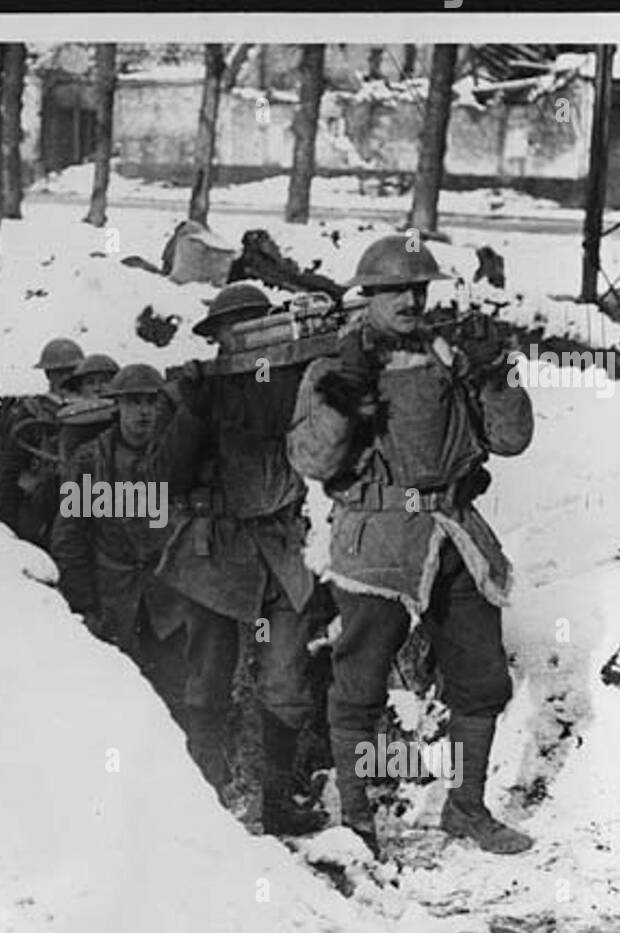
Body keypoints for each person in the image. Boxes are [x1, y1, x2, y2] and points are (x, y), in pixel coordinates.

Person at [287, 234, 535, 858]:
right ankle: (357, 819)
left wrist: (498, 374)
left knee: (479, 677)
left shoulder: (452, 356)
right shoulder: (333, 367)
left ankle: (467, 808)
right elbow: (310, 461)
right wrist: (345, 400)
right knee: (359, 683)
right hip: (378, 541)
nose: (410, 300)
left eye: (419, 288)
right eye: (395, 289)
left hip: (454, 532)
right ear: (368, 295)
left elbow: (510, 443)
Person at [150, 284, 324, 834]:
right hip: (214, 558)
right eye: (236, 330)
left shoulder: (298, 384)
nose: (248, 340)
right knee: (206, 680)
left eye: (257, 326)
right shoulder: (194, 393)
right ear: (219, 339)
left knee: (285, 680)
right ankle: (202, 801)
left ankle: (276, 802)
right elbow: (161, 478)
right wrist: (194, 415)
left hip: (281, 554)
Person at [51, 364, 187, 715]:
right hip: (113, 594)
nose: (143, 411)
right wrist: (85, 605)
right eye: (133, 402)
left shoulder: (178, 457)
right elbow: (71, 537)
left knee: (181, 691)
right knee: (122, 696)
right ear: (117, 406)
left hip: (172, 596)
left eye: (151, 402)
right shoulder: (91, 462)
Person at [0, 338, 85, 546]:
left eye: (72, 371)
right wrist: (9, 521)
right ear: (48, 375)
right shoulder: (29, 412)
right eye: (60, 372)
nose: (67, 378)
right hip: (42, 506)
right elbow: (9, 470)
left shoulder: (92, 410)